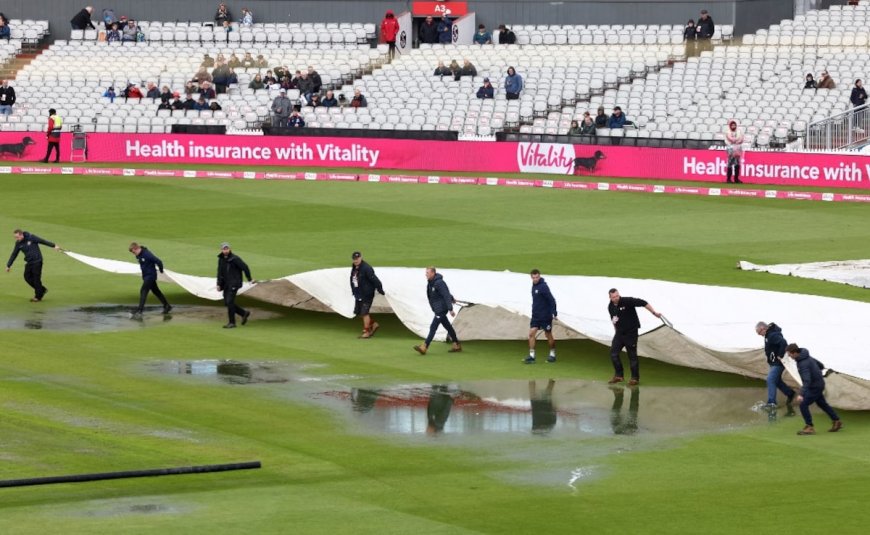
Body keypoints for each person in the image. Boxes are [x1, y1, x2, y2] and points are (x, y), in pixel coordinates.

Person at [607, 288, 662, 386]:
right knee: (613, 354)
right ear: (610, 297)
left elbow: (643, 302)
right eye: (614, 297)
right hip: (619, 334)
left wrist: (654, 313)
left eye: (617, 296)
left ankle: (634, 378)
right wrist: (616, 330)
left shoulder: (627, 301)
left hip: (631, 333)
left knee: (632, 356)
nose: (616, 298)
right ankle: (619, 376)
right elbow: (613, 319)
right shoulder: (610, 306)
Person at [787, 343, 842, 435]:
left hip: (814, 387)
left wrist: (801, 394)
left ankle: (809, 427)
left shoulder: (802, 363)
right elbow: (821, 365)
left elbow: (807, 380)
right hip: (819, 384)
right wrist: (816, 373)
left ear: (795, 353)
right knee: (822, 404)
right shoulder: (807, 356)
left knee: (803, 404)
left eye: (789, 354)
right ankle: (837, 421)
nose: (789, 356)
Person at [414, 267, 462, 355]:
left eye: (427, 272)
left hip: (441, 309)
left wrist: (450, 309)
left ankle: (425, 346)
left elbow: (446, 294)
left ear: (433, 273)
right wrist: (452, 298)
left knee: (433, 327)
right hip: (437, 308)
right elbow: (444, 293)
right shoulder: (431, 283)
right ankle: (456, 344)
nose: (426, 274)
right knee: (448, 327)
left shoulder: (439, 283)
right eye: (426, 272)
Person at [6, 229, 60, 302]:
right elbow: (14, 254)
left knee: (36, 279)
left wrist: (54, 245)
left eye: (17, 237)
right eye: (15, 237)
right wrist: (8, 265)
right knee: (27, 277)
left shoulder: (31, 237)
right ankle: (42, 289)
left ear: (21, 235)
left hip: (37, 261)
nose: (16, 239)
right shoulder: (18, 243)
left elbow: (42, 241)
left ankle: (38, 297)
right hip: (29, 262)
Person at [755, 322, 797, 409]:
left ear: (763, 328)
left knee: (770, 379)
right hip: (774, 363)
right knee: (776, 381)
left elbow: (783, 342)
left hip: (778, 363)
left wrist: (780, 355)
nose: (759, 335)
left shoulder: (772, 335)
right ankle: (790, 393)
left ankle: (771, 403)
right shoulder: (768, 335)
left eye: (759, 332)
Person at [129, 242, 172, 317]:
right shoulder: (139, 255)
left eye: (134, 252)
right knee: (156, 291)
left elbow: (158, 261)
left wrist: (161, 270)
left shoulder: (147, 254)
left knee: (143, 291)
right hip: (146, 276)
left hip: (150, 276)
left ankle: (140, 310)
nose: (134, 254)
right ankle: (167, 306)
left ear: (136, 248)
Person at [524, 269, 557, 364]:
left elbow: (551, 300)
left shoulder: (543, 287)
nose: (535, 279)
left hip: (545, 316)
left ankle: (552, 354)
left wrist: (554, 312)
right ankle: (531, 356)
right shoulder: (533, 287)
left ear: (539, 276)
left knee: (548, 334)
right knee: (531, 334)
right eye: (533, 277)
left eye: (537, 277)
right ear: (531, 277)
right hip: (536, 316)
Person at [350, 251, 385, 339]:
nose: (356, 260)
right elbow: (353, 279)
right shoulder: (354, 268)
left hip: (366, 294)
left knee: (364, 312)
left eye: (357, 258)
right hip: (358, 293)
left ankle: (366, 331)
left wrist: (380, 289)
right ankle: (373, 324)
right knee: (359, 312)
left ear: (361, 257)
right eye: (354, 259)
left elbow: (374, 279)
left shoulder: (366, 268)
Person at [216, 242, 251, 329]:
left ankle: (232, 322)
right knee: (227, 303)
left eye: (227, 248)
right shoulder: (221, 259)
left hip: (234, 283)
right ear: (221, 250)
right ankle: (243, 313)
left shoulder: (235, 258)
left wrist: (249, 279)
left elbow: (245, 267)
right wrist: (219, 284)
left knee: (230, 302)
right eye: (224, 249)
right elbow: (219, 272)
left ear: (230, 249)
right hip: (226, 284)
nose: (226, 250)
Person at [724, 119, 744, 183]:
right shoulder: (728, 132)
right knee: (730, 162)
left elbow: (741, 139)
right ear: (730, 126)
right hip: (730, 148)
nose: (733, 126)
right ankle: (728, 179)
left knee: (737, 163)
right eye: (732, 125)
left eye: (734, 125)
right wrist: (736, 140)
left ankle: (736, 179)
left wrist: (737, 140)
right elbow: (730, 139)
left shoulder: (739, 131)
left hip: (737, 148)